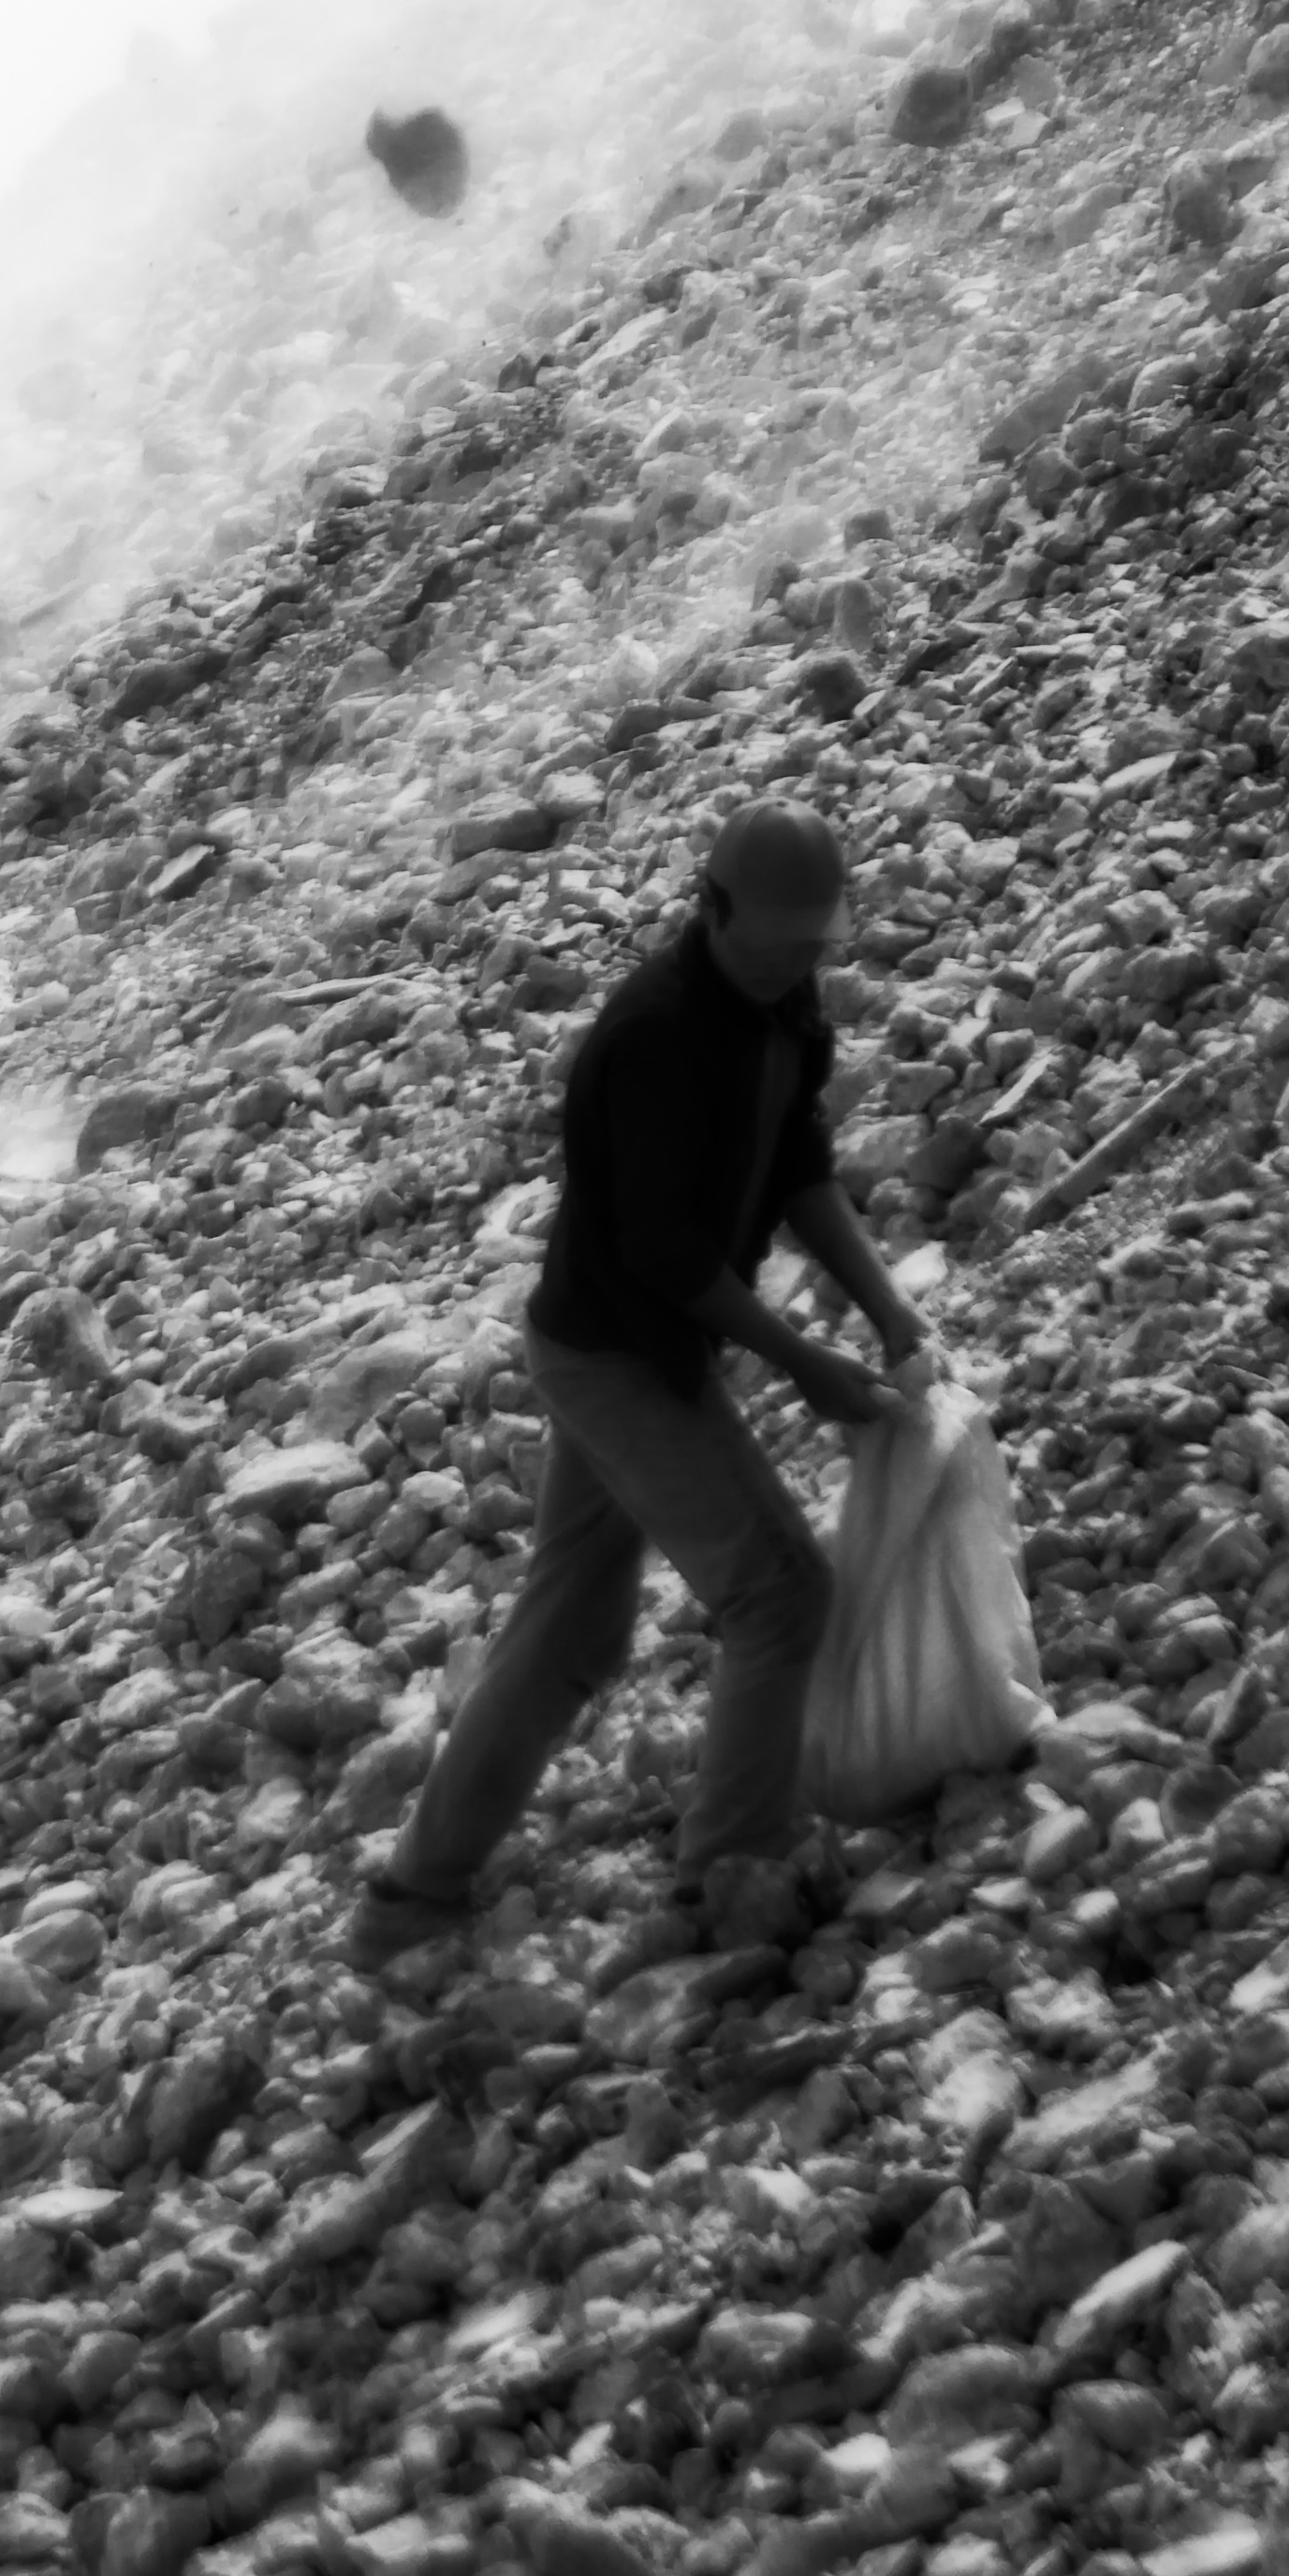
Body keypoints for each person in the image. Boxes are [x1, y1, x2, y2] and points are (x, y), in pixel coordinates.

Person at [344, 800, 933, 1975]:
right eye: (770, 946)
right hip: (615, 1351)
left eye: (810, 949)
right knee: (778, 1594)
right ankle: (729, 1870)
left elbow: (801, 1165)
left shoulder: (781, 1000)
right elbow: (666, 1258)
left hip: (627, 1342)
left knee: (576, 1618)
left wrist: (887, 1308)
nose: (791, 970)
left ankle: (413, 1892)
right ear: (710, 909)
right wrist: (806, 1362)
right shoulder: (658, 1035)